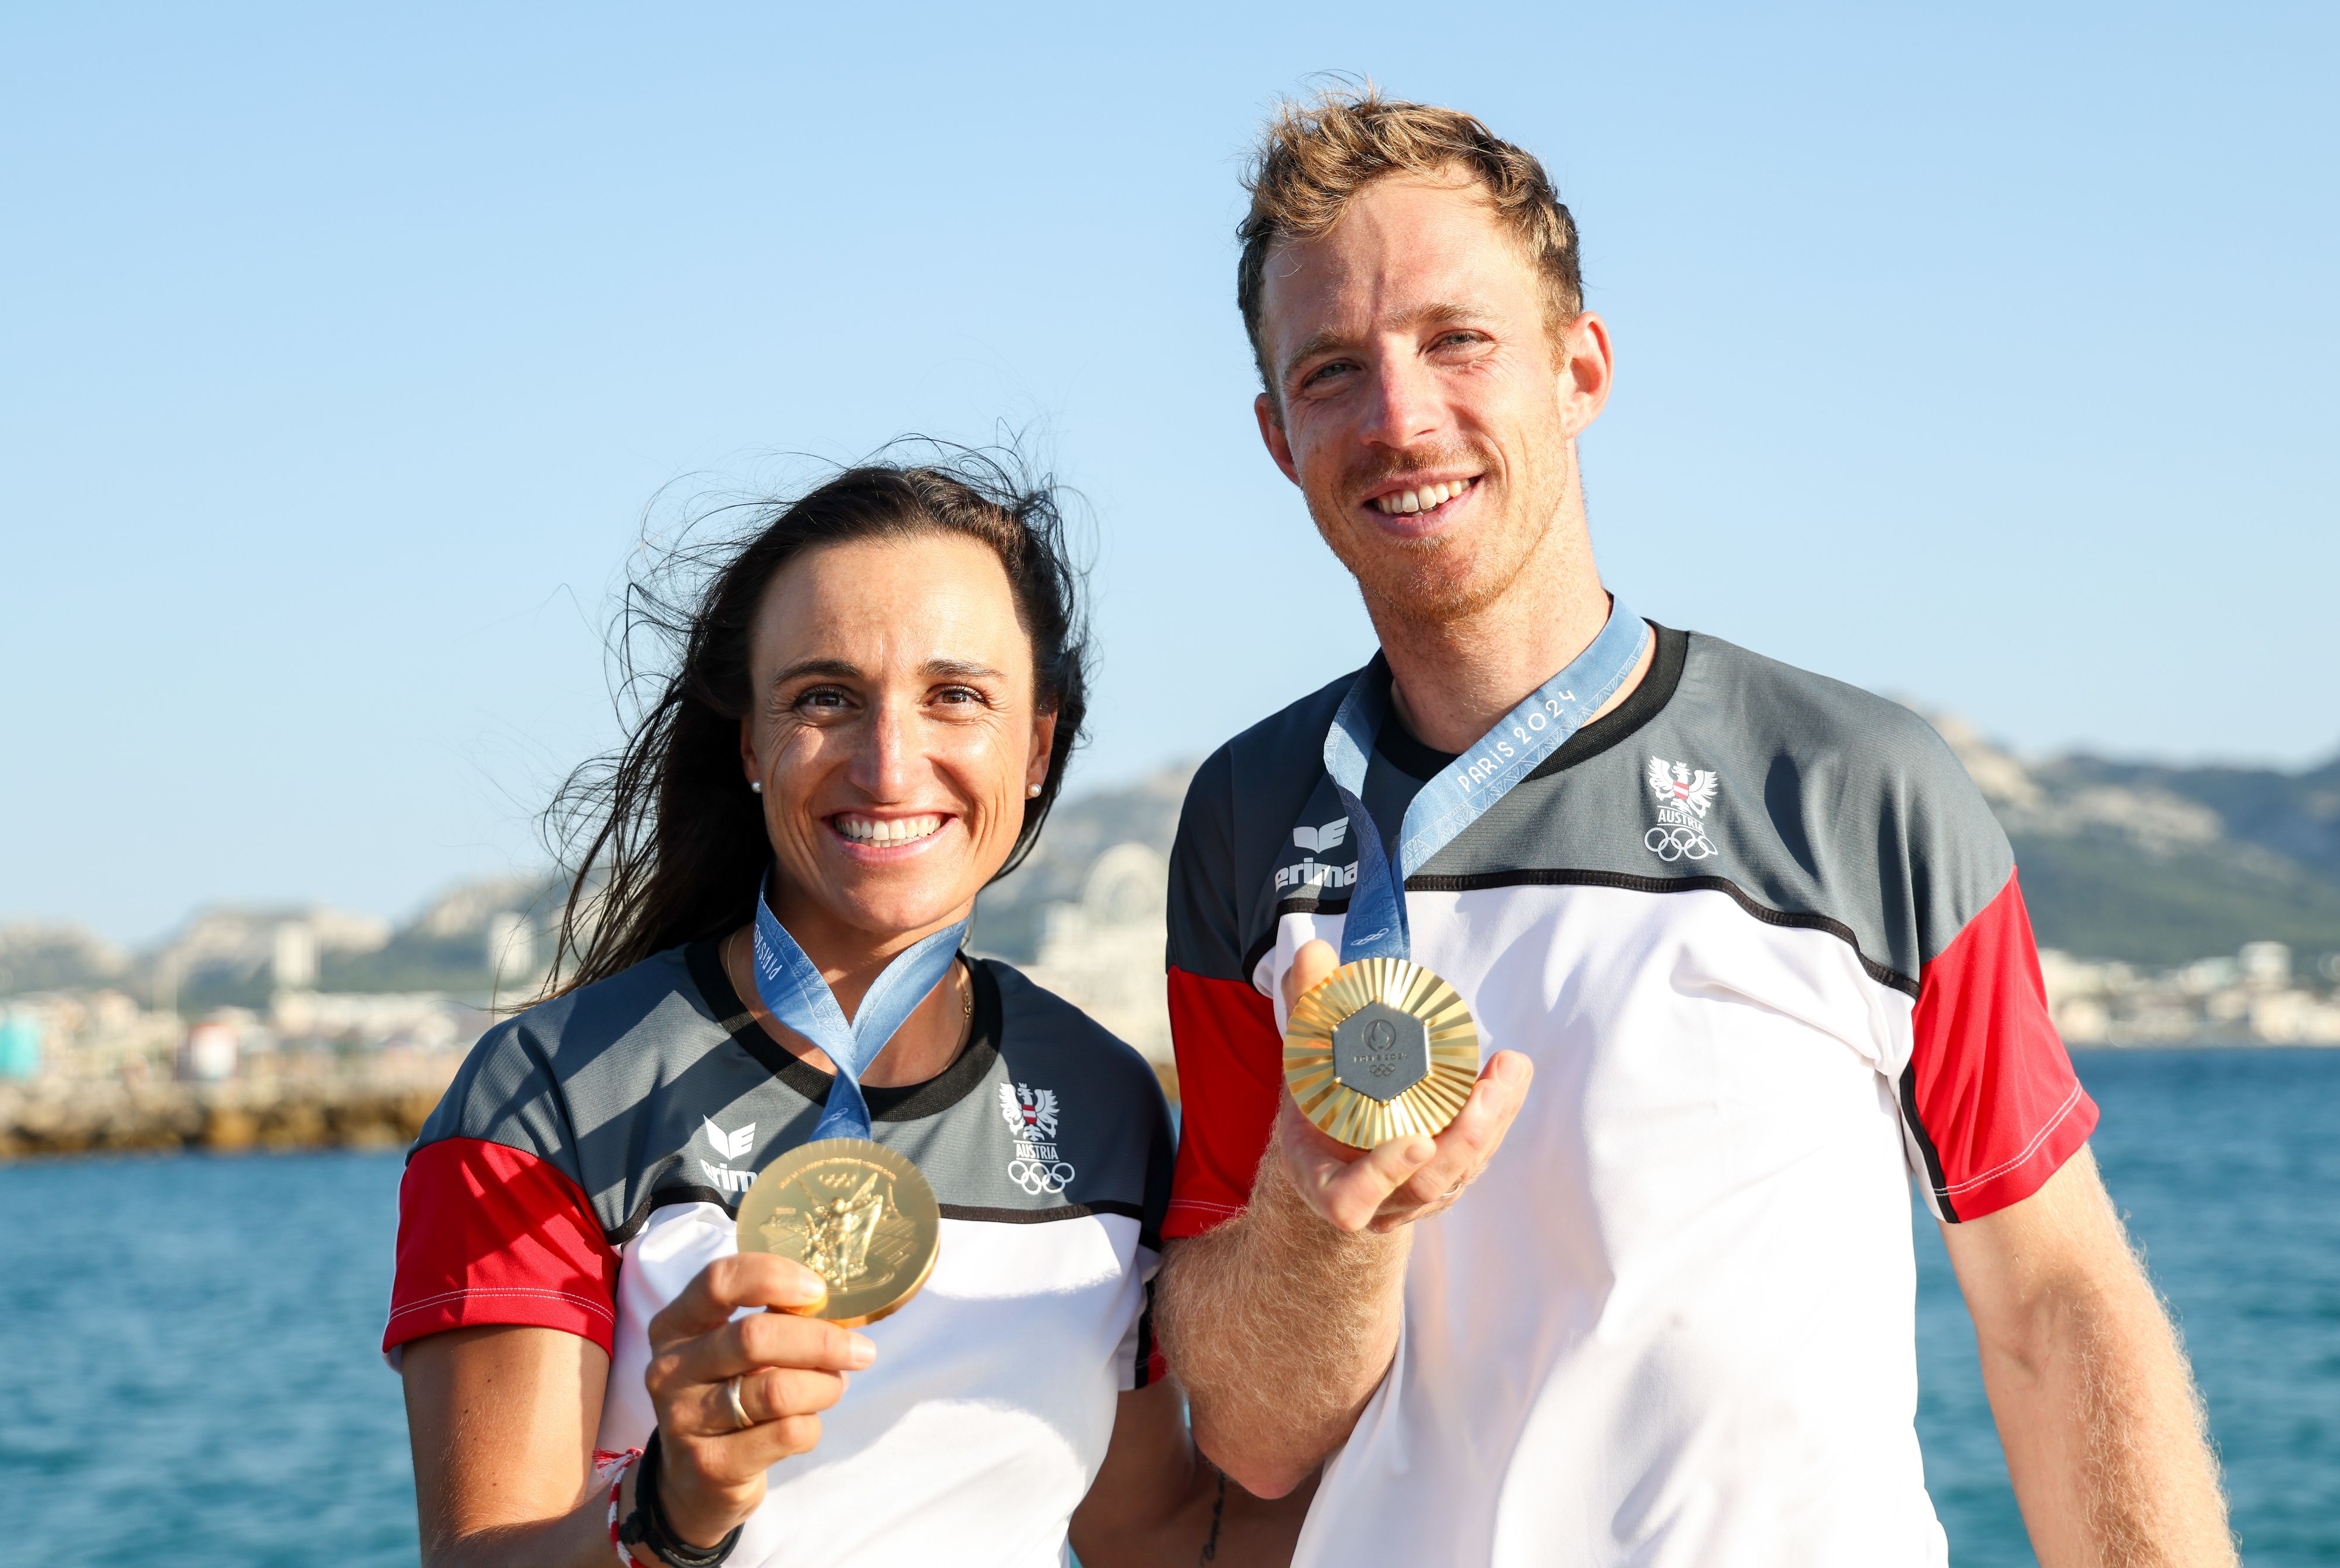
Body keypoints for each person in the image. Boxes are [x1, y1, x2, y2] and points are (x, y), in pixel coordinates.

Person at [1154, 89, 2237, 1567]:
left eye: (1456, 339)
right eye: (1334, 369)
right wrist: (1317, 1217)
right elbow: (1252, 1432)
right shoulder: (1244, 818)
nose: (1400, 416)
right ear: (1280, 438)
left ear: (1578, 369)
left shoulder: (1859, 784)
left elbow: (2052, 1300)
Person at [388, 457, 1303, 1567]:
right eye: (824, 697)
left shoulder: (1102, 1096)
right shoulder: (546, 1092)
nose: (887, 762)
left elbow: (1153, 1533)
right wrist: (665, 1512)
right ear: (749, 745)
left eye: (956, 697)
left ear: (1037, 747)